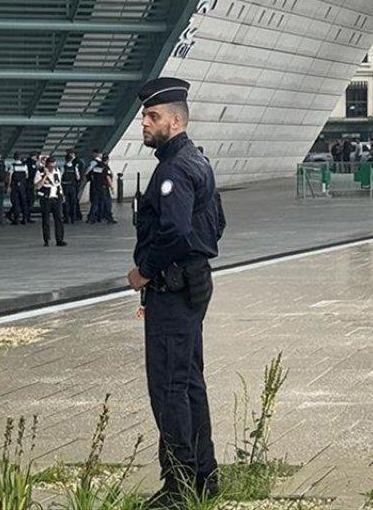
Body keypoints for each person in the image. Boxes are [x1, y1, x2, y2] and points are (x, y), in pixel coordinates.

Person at [126, 76, 225, 508]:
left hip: (171, 289)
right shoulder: (197, 162)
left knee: (168, 387)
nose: (144, 124)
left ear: (175, 121)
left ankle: (179, 487)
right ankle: (204, 477)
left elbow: (176, 231)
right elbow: (216, 224)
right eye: (145, 116)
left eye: (152, 117)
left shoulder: (173, 170)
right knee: (189, 384)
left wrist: (144, 271)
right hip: (192, 285)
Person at [35, 156, 67, 247]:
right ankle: (46, 239)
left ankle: (59, 239)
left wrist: (62, 194)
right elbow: (38, 186)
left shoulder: (57, 171)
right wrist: (45, 176)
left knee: (59, 218)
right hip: (46, 198)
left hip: (56, 197)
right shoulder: (40, 172)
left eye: (53, 166)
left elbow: (59, 184)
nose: (52, 168)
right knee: (46, 219)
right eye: (50, 166)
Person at [9, 153, 31, 224]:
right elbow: (27, 176)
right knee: (24, 202)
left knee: (16, 202)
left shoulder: (12, 166)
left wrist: (9, 185)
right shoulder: (24, 166)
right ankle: (25, 218)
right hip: (22, 185)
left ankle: (16, 219)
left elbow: (10, 176)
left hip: (15, 185)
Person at [63, 150, 84, 223]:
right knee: (73, 202)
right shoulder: (75, 167)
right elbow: (78, 177)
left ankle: (66, 217)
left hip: (65, 186)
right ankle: (73, 217)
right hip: (73, 186)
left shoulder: (63, 167)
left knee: (66, 202)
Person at [87, 149, 106, 223]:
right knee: (100, 201)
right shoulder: (103, 164)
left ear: (95, 154)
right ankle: (99, 217)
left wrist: (87, 175)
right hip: (102, 185)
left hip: (95, 185)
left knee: (94, 201)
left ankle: (91, 217)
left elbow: (88, 171)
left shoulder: (93, 162)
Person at [100, 154, 118, 224]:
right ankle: (109, 218)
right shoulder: (106, 167)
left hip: (98, 187)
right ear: (107, 160)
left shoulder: (98, 166)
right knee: (108, 203)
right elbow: (108, 178)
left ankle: (100, 216)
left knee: (101, 202)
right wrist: (111, 187)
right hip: (105, 187)